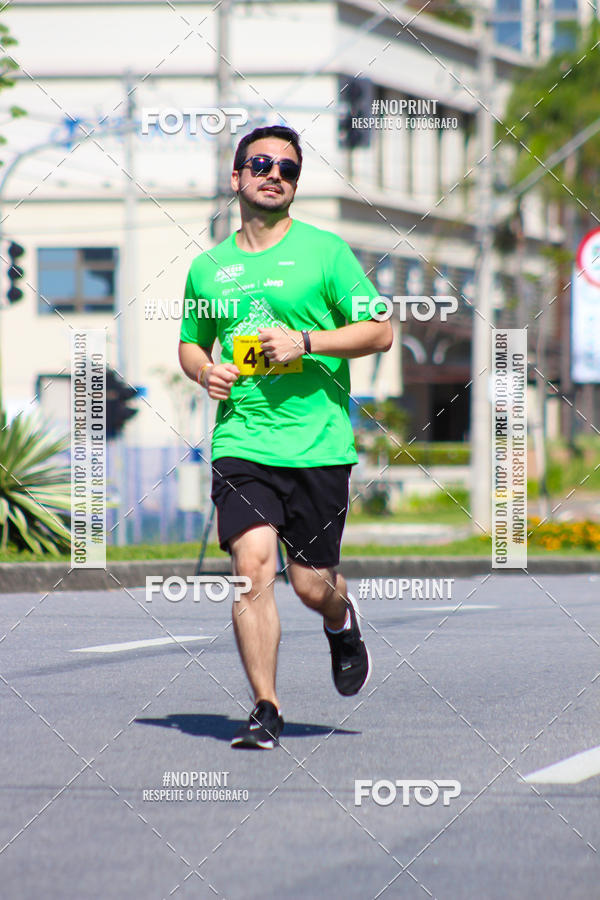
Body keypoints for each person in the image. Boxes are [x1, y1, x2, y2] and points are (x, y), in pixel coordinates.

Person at [179, 124, 392, 749]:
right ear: (237, 176)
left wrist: (306, 342)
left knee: (309, 584)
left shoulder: (326, 253)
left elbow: (379, 331)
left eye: (288, 169)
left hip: (319, 444)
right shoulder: (207, 267)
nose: (275, 174)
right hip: (243, 441)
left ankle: (340, 619)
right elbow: (192, 343)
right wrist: (205, 371)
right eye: (262, 163)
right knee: (252, 568)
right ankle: (265, 708)